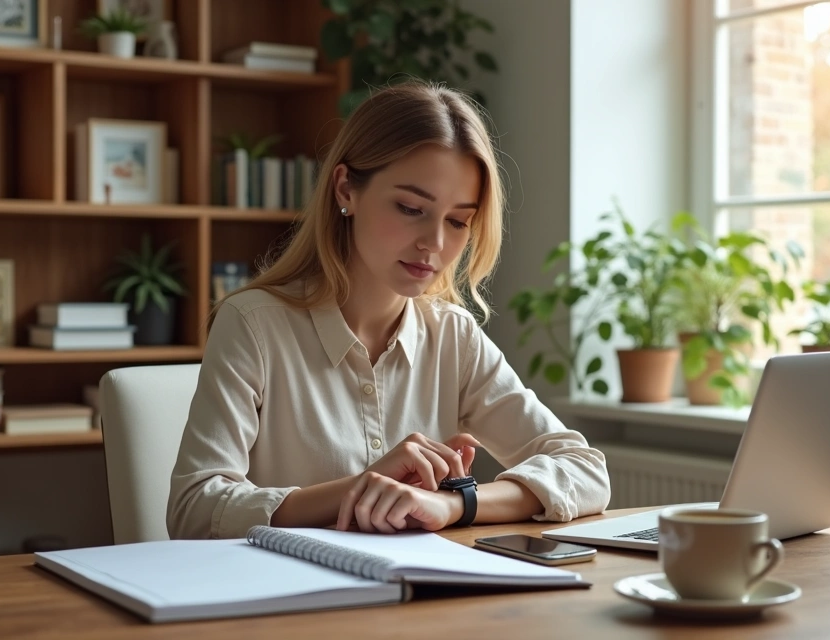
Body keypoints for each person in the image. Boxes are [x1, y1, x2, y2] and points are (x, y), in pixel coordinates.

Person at [167, 81, 610, 540]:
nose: (435, 244)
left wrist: (453, 503)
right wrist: (358, 490)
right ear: (346, 190)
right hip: (289, 604)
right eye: (410, 207)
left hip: (416, 602)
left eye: (459, 220)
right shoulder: (253, 325)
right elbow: (193, 510)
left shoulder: (453, 336)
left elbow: (585, 471)